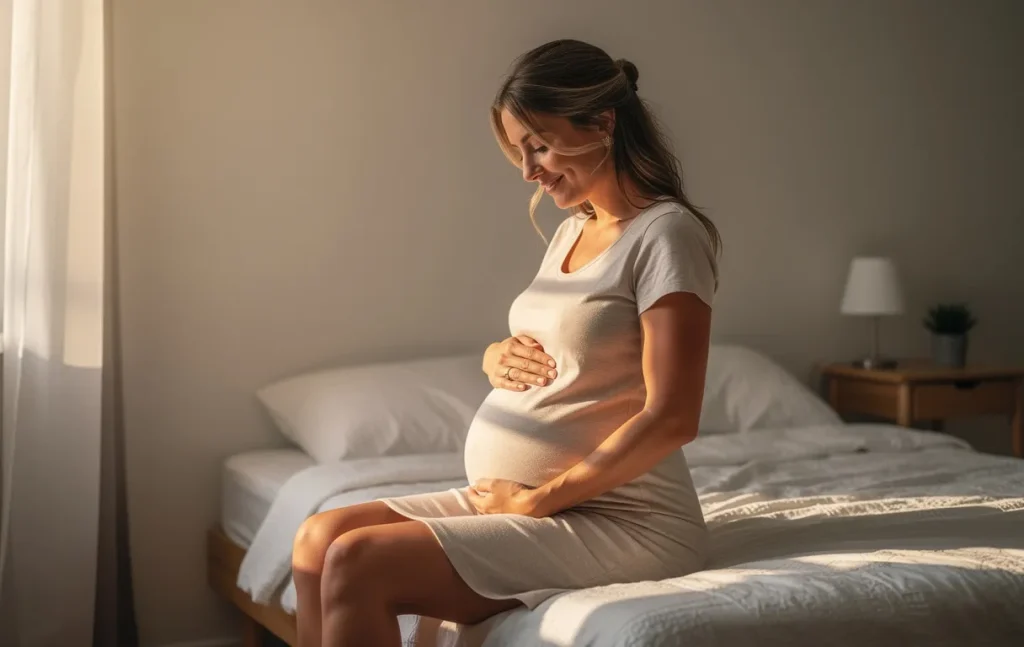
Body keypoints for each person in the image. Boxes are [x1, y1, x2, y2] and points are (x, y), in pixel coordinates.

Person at [290, 38, 721, 646]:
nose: (528, 171)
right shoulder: (574, 230)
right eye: (520, 151)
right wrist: (497, 357)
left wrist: (538, 500)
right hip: (530, 502)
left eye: (539, 145)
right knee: (317, 539)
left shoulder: (666, 234)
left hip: (621, 520)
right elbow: (578, 343)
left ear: (602, 122)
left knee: (359, 561)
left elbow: (673, 416)